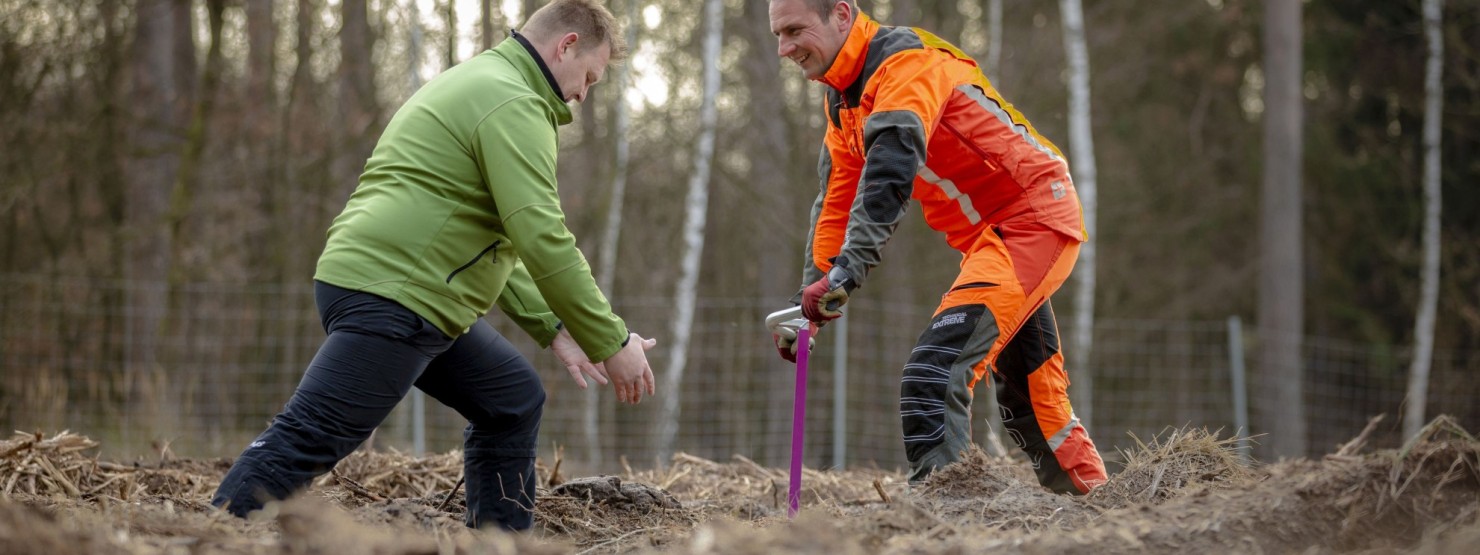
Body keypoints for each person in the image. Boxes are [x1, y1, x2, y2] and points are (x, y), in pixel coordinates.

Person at [212, 0, 656, 530]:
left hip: (403, 286)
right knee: (315, 432)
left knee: (511, 398)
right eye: (589, 76)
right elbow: (541, 235)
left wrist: (556, 324)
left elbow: (498, 234)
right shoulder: (513, 101)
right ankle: (210, 535)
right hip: (399, 291)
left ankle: (500, 540)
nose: (584, 94)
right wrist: (611, 340)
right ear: (566, 46)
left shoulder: (485, 80)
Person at [768, 0, 1108, 495]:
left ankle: (950, 525)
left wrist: (848, 273)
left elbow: (889, 173)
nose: (785, 48)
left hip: (1033, 219)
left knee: (932, 376)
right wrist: (810, 304)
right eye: (779, 35)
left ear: (841, 14)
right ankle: (1098, 508)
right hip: (991, 241)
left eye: (795, 30)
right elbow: (837, 201)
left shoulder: (903, 64)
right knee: (1030, 395)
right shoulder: (843, 102)